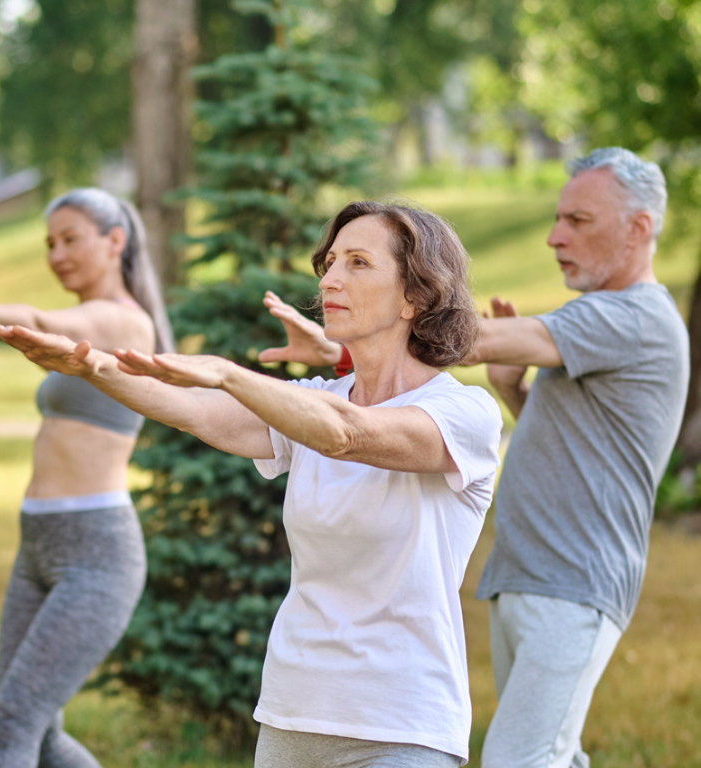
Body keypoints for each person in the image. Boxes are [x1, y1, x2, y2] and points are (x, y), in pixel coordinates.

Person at [0, 201, 503, 767]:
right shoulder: (315, 403)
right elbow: (197, 410)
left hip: (401, 723)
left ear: (416, 296)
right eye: (331, 261)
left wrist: (228, 373)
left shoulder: (462, 414)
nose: (330, 278)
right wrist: (95, 369)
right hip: (292, 714)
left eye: (358, 263)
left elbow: (346, 435)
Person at [260, 149, 688, 767]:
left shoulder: (633, 316)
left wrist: (344, 341)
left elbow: (458, 336)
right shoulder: (605, 324)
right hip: (531, 570)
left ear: (639, 229)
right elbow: (571, 435)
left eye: (578, 220)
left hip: (576, 578)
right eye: (558, 218)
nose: (554, 236)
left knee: (522, 758)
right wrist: (512, 389)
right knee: (550, 755)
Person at [0, 188, 173, 768]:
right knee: (38, 734)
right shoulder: (88, 318)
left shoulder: (123, 322)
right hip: (39, 545)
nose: (57, 254)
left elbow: (40, 321)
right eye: (49, 243)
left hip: (97, 552)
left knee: (15, 725)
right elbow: (44, 327)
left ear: (114, 241)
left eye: (71, 239)